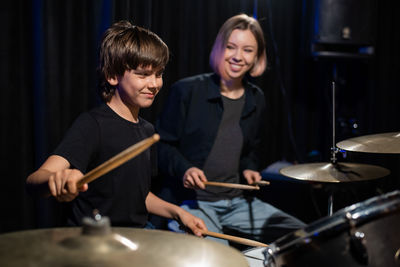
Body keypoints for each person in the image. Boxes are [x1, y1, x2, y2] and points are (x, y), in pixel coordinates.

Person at [26, 20, 206, 237]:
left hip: (137, 236)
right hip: (95, 239)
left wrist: (178, 213)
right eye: (143, 74)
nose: (154, 84)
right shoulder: (93, 124)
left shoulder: (148, 132)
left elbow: (138, 196)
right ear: (112, 75)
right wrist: (56, 179)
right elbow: (35, 180)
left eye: (158, 74)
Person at [156, 14, 305, 245]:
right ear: (219, 48)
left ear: (257, 56)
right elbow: (162, 146)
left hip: (237, 203)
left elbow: (249, 152)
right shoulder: (186, 91)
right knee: (221, 257)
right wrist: (185, 169)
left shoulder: (257, 99)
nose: (237, 56)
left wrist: (250, 170)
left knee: (305, 237)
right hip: (192, 202)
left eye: (247, 50)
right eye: (230, 47)